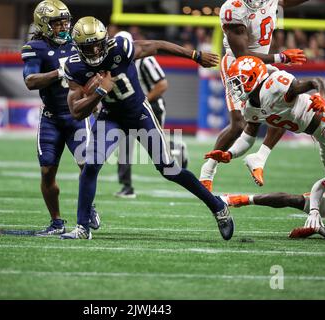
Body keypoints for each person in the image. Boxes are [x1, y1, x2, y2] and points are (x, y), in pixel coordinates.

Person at [61, 16, 234, 240]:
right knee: (90, 165)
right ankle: (82, 227)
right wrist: (100, 92)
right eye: (88, 46)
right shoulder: (74, 66)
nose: (94, 50)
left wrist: (195, 55)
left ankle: (217, 206)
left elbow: (158, 45)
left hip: (138, 114)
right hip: (110, 116)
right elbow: (76, 111)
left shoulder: (120, 48)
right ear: (78, 47)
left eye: (97, 43)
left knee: (168, 168)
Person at [205, 56, 325, 220]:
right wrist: (229, 154)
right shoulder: (250, 108)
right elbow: (248, 137)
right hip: (319, 137)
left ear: (253, 77)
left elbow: (316, 81)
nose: (234, 86)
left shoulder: (275, 85)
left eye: (238, 80)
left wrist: (321, 97)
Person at [199, 0, 309, 192]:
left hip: (262, 65)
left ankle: (260, 157)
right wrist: (281, 57)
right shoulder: (233, 8)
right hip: (239, 66)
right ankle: (207, 171)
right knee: (237, 125)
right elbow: (243, 55)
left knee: (285, 104)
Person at [21, 0, 99, 236]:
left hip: (77, 115)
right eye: (57, 23)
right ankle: (56, 222)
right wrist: (59, 72)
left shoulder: (79, 45)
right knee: (47, 171)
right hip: (51, 117)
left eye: (66, 21)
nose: (64, 26)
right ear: (44, 25)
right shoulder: (35, 47)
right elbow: (30, 81)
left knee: (87, 166)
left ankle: (88, 209)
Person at [113, 30, 188, 199]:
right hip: (129, 108)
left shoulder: (145, 60)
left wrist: (143, 100)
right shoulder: (113, 61)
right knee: (125, 146)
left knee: (158, 146)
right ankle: (127, 186)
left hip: (151, 105)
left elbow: (162, 84)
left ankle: (177, 148)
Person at [223, 177, 325, 240]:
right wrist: (314, 210)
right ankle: (243, 199)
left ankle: (318, 229)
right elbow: (321, 184)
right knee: (293, 200)